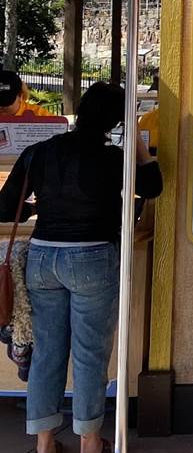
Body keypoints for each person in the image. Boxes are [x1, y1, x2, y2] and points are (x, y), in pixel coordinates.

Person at [0, 81, 163, 453]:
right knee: (89, 353)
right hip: (92, 257)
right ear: (114, 121)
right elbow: (153, 186)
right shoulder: (112, 158)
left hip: (43, 257)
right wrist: (136, 140)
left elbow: (5, 208)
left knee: (47, 351)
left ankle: (44, 443)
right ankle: (90, 441)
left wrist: (38, 208)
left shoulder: (39, 152)